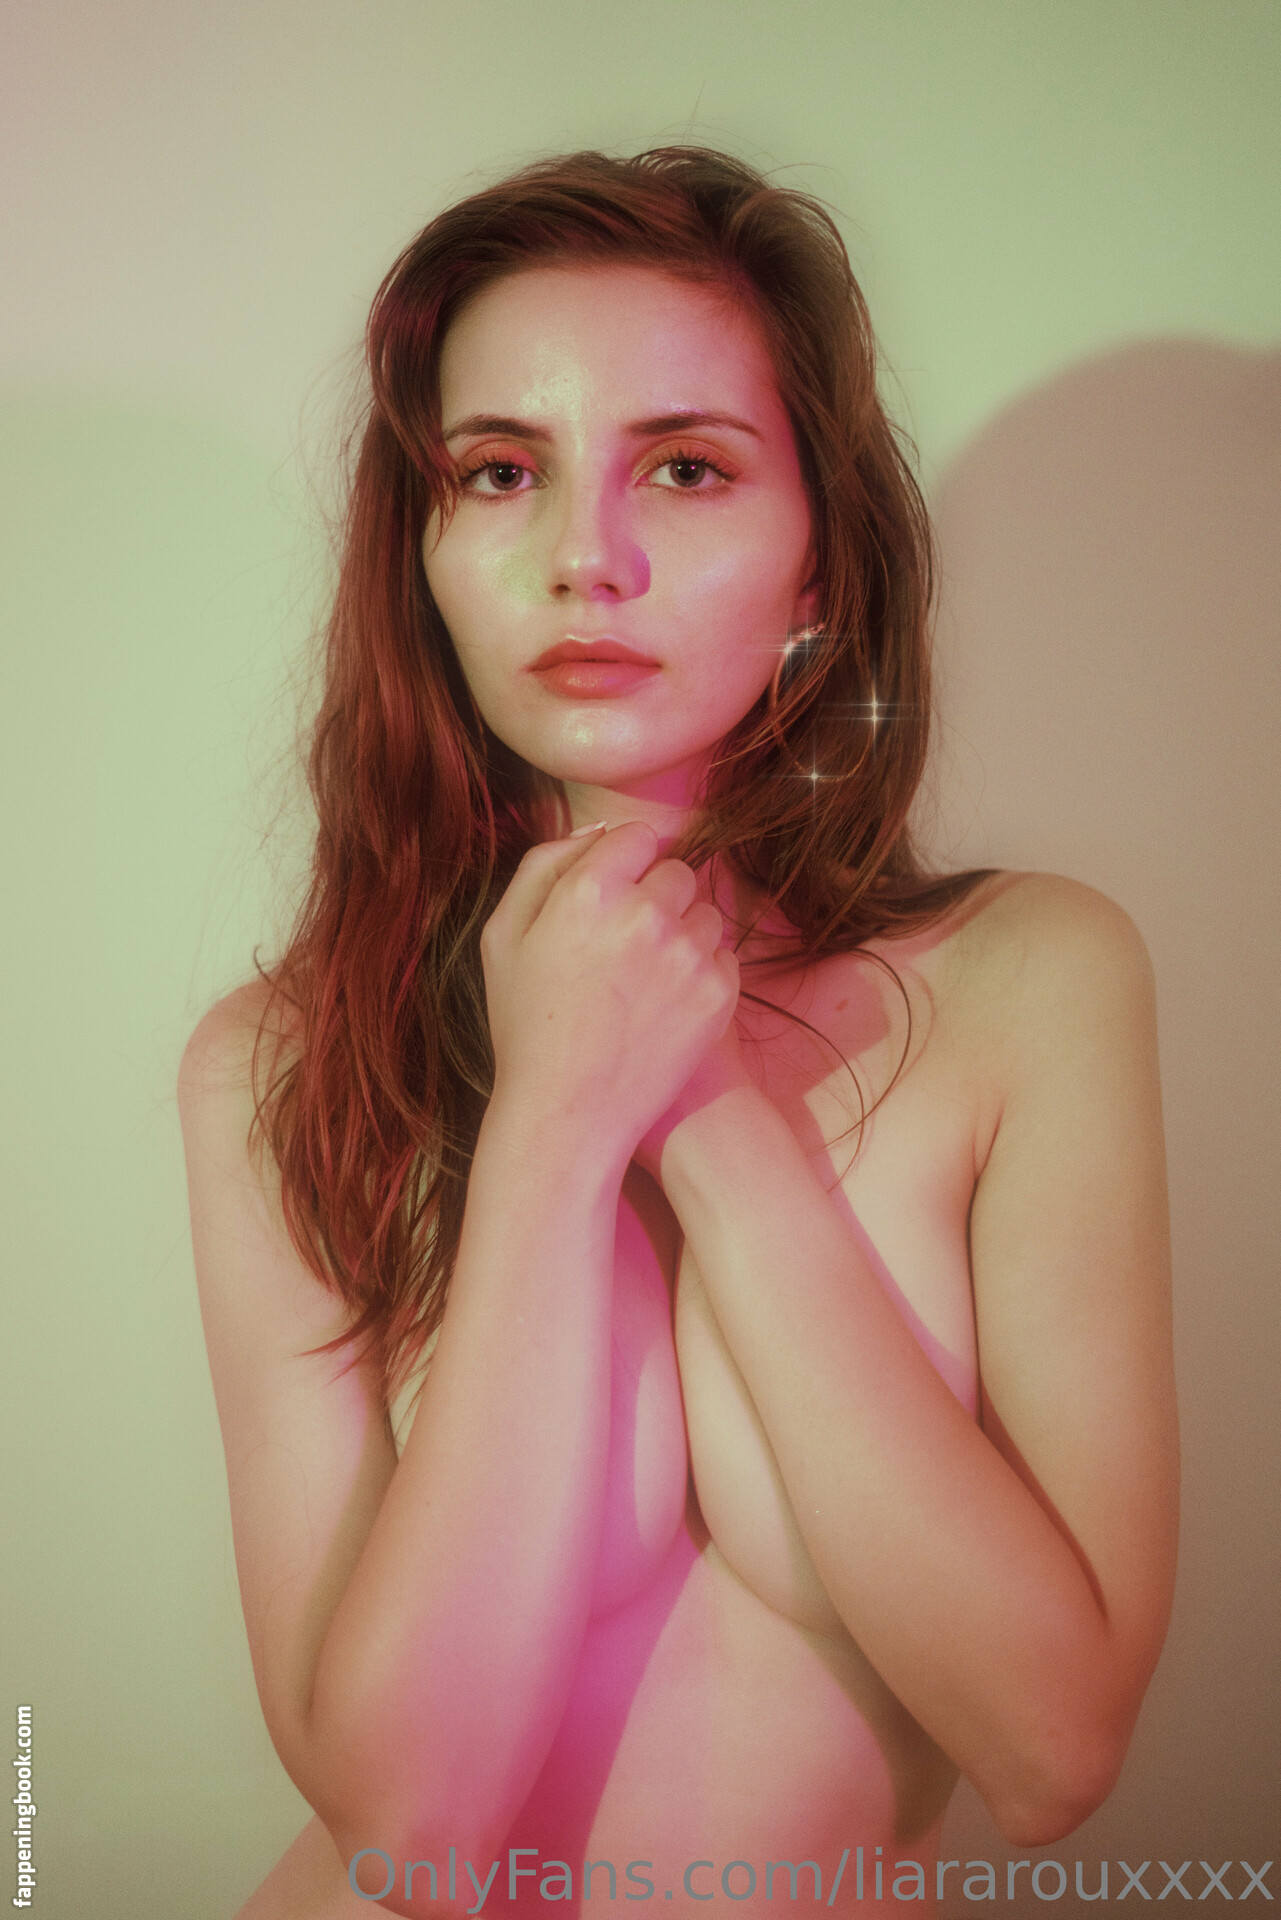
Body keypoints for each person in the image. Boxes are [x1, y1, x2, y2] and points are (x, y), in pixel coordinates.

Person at [178, 148, 1179, 1919]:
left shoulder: (1029, 982)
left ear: (817, 566)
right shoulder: (279, 1062)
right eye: (501, 472)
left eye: (686, 467)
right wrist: (555, 1126)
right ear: (422, 555)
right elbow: (409, 1832)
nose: (585, 557)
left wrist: (693, 1081)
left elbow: (1050, 1749)